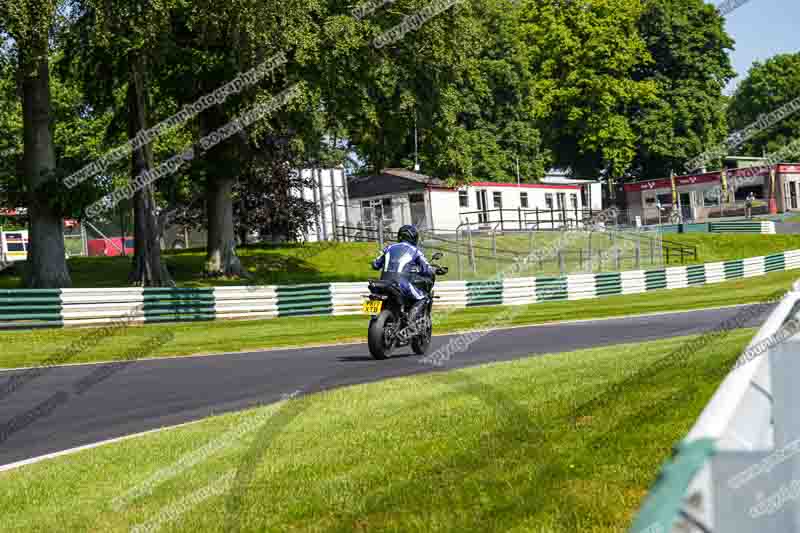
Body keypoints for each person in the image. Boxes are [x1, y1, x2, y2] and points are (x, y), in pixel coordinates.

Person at [371, 225, 434, 336]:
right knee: (422, 297)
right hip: (401, 283)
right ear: (414, 238)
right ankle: (410, 322)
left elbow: (375, 264)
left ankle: (392, 319)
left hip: (382, 283)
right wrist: (429, 271)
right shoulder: (415, 251)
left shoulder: (388, 248)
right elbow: (427, 269)